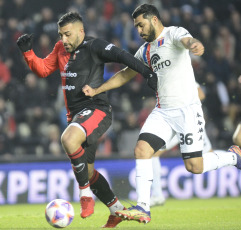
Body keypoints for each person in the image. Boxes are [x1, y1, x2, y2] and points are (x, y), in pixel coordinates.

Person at [82, 4, 241, 224]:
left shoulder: (174, 33)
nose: (138, 30)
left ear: (154, 19)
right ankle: (143, 207)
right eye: (136, 26)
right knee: (142, 149)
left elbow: (187, 41)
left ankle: (235, 156)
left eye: (141, 24)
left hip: (188, 110)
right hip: (163, 112)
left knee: (195, 166)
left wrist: (194, 44)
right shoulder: (145, 50)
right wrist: (98, 89)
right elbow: (126, 74)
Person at [17, 11, 157, 228]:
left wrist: (147, 73)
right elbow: (44, 69)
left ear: (81, 31)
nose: (63, 40)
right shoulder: (59, 48)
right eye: (60, 35)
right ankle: (116, 210)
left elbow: (123, 56)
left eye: (67, 34)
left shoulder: (94, 46)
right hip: (77, 116)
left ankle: (85, 197)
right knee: (88, 171)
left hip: (97, 109)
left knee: (68, 139)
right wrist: (28, 53)